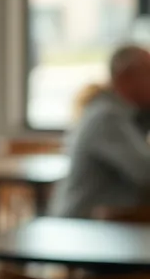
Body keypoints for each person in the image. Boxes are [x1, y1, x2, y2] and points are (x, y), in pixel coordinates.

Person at [51, 45, 150, 219]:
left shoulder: (127, 114)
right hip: (83, 226)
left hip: (108, 222)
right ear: (125, 78)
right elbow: (146, 173)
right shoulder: (107, 118)